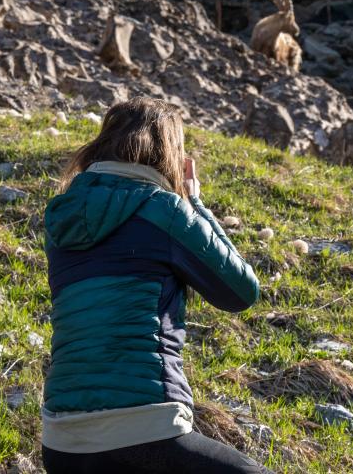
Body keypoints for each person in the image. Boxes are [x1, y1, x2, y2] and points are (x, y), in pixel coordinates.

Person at [41, 97, 272, 473]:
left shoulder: (62, 216)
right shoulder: (164, 208)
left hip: (62, 441)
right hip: (144, 427)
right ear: (167, 152)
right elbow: (240, 291)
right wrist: (195, 204)